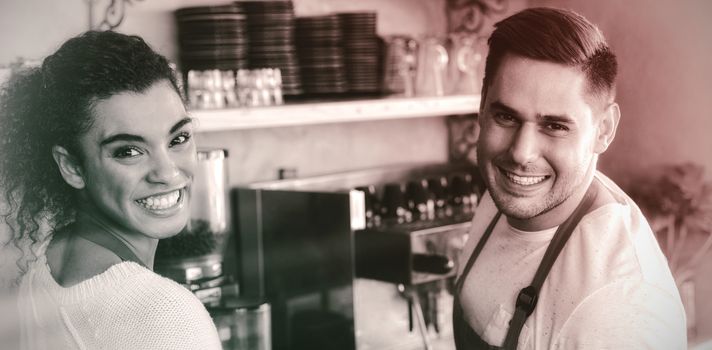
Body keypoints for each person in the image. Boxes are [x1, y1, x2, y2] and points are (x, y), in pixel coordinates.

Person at [453, 7, 686, 349]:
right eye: (505, 117)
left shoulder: (620, 307)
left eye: (555, 126)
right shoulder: (504, 192)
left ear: (603, 130)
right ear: (482, 109)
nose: (521, 153)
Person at [0, 31, 222, 349]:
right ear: (72, 166)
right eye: (128, 151)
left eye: (178, 139)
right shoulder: (167, 316)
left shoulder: (48, 262)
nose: (168, 172)